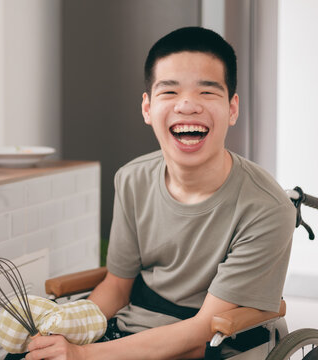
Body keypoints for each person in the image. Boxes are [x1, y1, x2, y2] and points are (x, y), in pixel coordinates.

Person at [25, 26, 296, 360]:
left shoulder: (267, 208)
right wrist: (70, 327)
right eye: (170, 92)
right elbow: (118, 286)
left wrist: (82, 356)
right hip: (127, 333)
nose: (187, 105)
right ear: (147, 108)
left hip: (211, 345)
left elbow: (201, 333)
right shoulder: (132, 179)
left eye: (207, 92)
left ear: (232, 108)